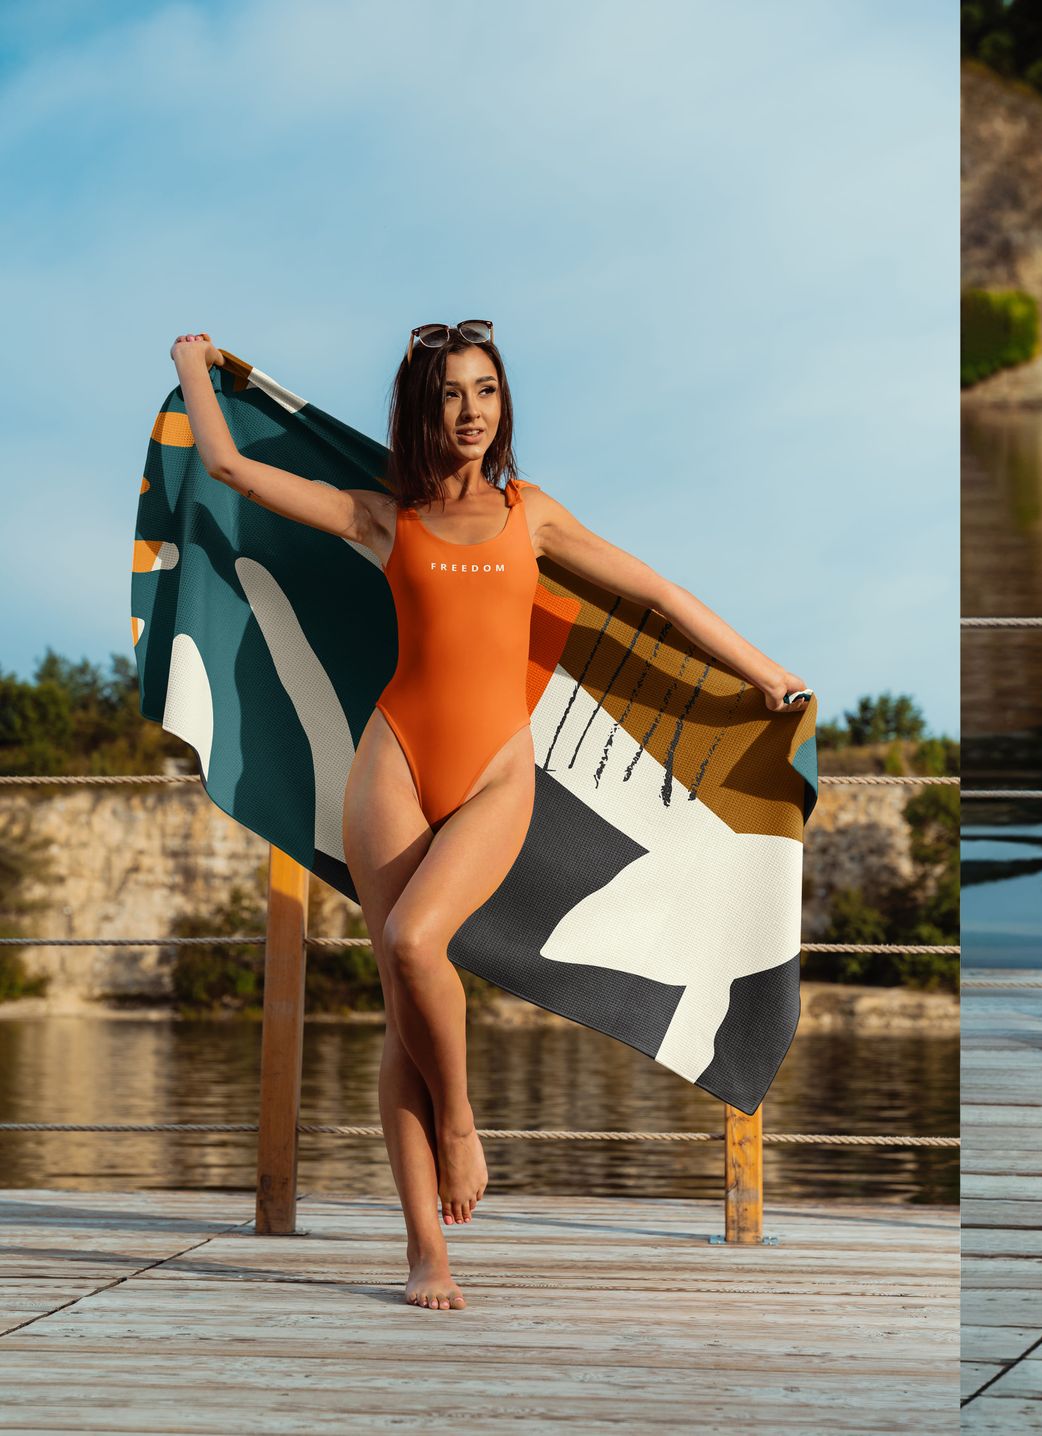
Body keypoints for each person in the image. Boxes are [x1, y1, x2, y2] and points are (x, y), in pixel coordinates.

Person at [167, 324, 811, 1310]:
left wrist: (760, 668)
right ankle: (429, 1248)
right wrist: (193, 366)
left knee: (418, 939)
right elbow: (227, 465)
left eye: (487, 392)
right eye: (453, 395)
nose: (472, 411)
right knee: (400, 997)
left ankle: (462, 1121)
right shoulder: (386, 516)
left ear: (503, 405)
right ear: (424, 411)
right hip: (393, 762)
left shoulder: (531, 515)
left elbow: (657, 589)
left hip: (497, 775)